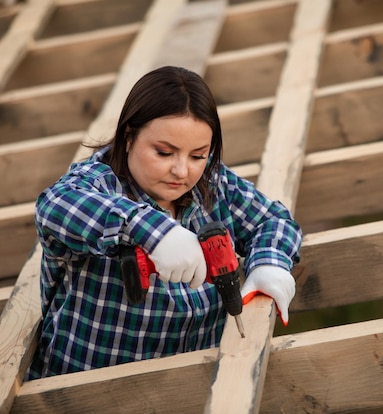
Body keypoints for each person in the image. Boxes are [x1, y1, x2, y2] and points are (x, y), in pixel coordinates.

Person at [27, 66, 302, 379]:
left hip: (192, 390)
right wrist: (156, 233)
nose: (182, 171)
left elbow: (273, 220)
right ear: (128, 137)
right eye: (164, 152)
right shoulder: (95, 185)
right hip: (87, 394)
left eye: (198, 155)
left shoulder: (211, 183)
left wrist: (270, 262)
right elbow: (55, 204)